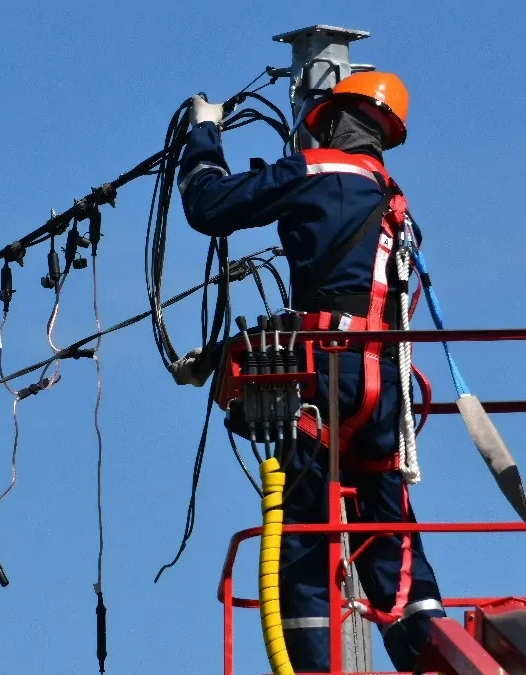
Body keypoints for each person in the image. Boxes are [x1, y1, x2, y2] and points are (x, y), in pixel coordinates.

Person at [172, 72, 446, 672]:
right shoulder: (393, 199)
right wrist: (222, 357)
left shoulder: (313, 172)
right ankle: (435, 654)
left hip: (325, 380)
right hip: (383, 391)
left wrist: (204, 132)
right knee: (392, 541)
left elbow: (209, 206)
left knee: (305, 544)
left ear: (326, 121)